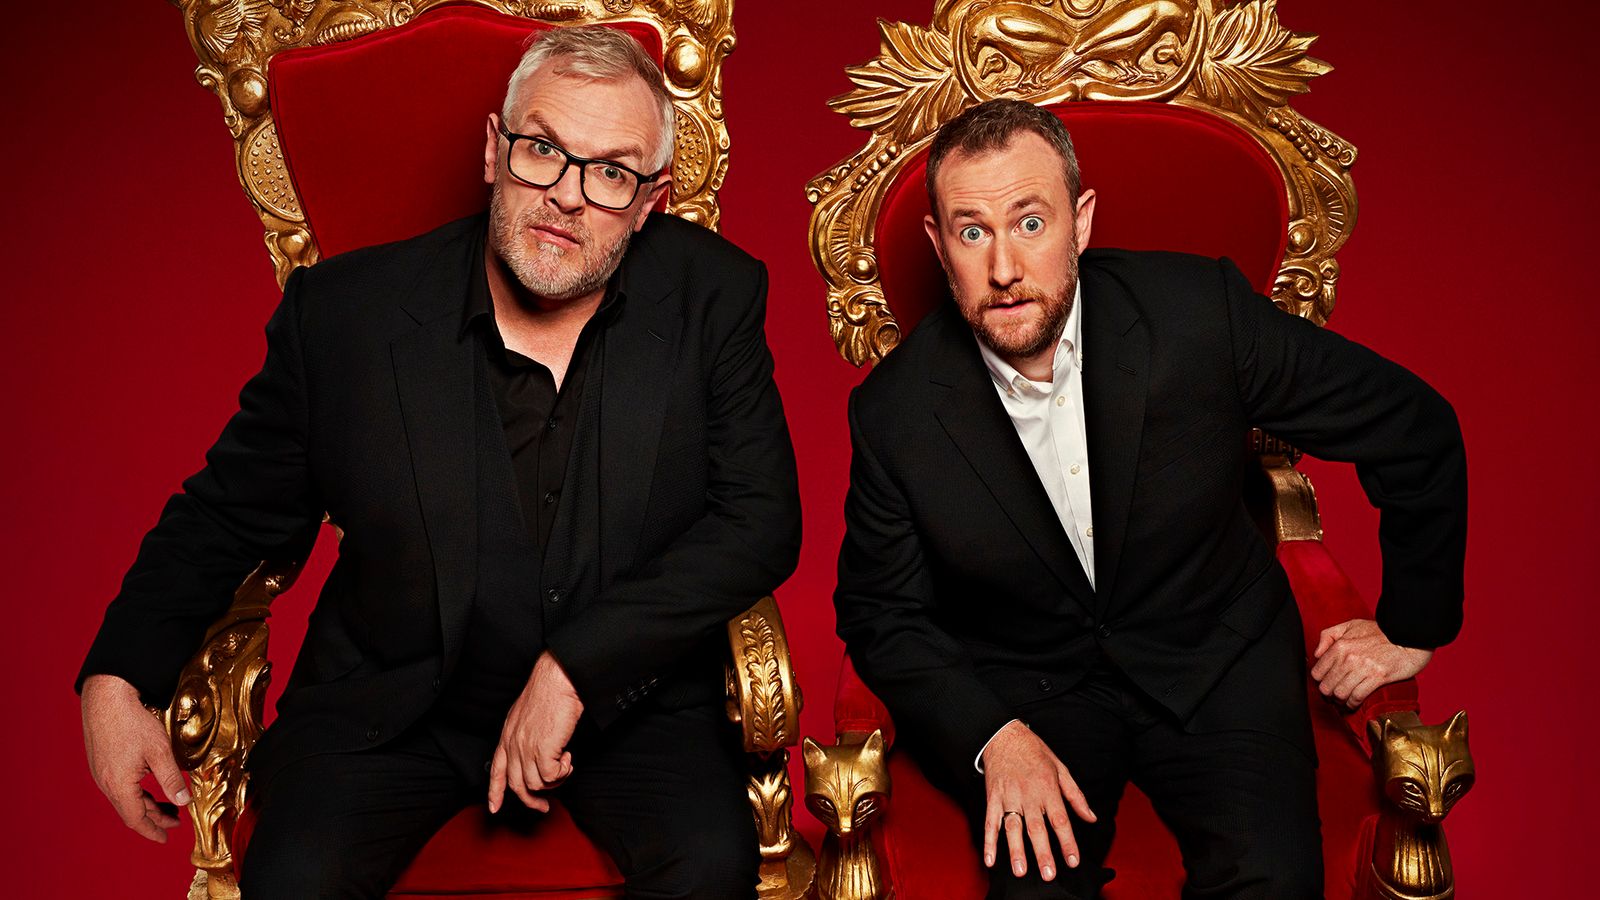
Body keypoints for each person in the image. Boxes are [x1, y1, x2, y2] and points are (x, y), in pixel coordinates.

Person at [77, 26, 799, 899]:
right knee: (294, 877)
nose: (566, 196)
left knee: (712, 864)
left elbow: (760, 519)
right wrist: (118, 678)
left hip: (629, 706)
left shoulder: (714, 297)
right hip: (391, 707)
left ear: (651, 201)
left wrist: (576, 668)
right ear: (495, 150)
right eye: (542, 149)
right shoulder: (346, 317)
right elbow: (228, 514)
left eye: (610, 172)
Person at [833, 99, 1464, 899]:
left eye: (1030, 223)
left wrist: (1413, 626)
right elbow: (880, 612)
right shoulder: (895, 412)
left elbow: (1412, 426)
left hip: (1217, 655)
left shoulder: (1199, 315)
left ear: (1081, 221)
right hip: (1033, 687)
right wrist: (991, 738)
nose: (1003, 268)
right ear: (938, 245)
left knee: (1272, 882)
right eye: (972, 232)